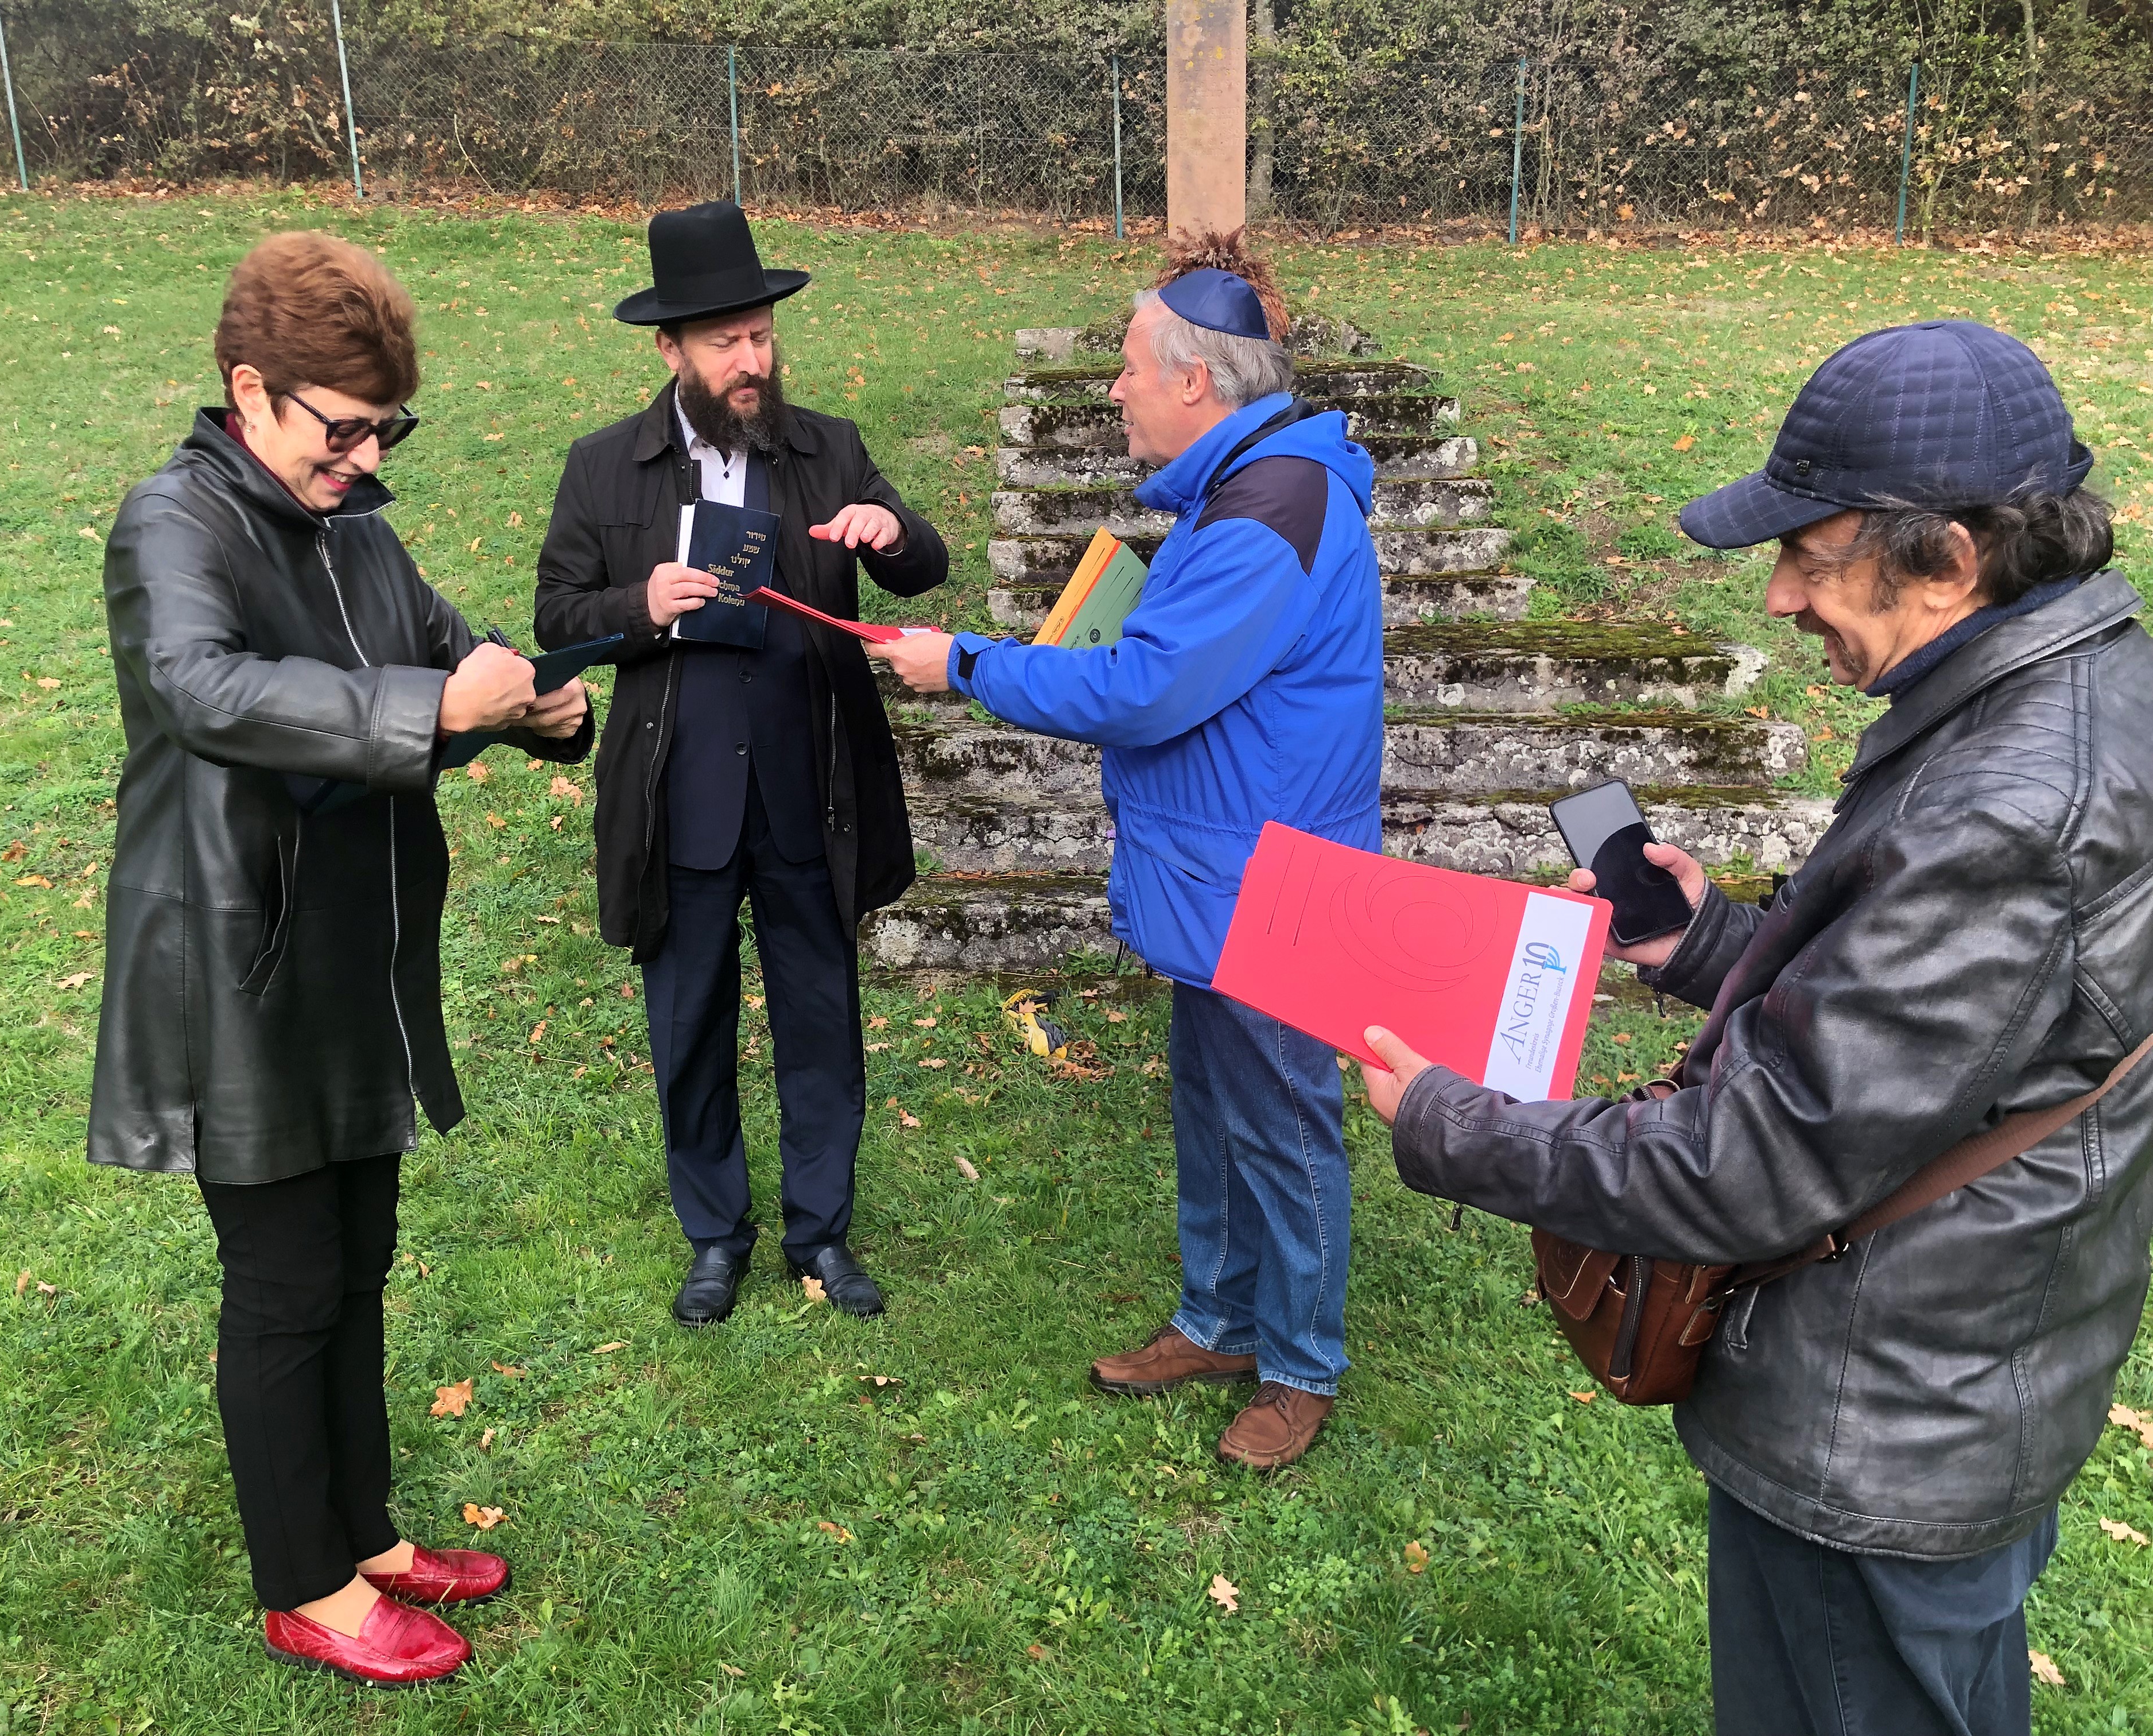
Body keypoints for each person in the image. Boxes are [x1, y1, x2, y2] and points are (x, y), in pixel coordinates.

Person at [1360, 321, 2153, 1735]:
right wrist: (1712, 942)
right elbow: (1974, 1037)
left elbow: (1747, 1164)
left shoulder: (2010, 808)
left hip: (1884, 1432)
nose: (1781, 597)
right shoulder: (2068, 697)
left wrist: (1449, 1119)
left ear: (1951, 562)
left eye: (1811, 552)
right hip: (1962, 1381)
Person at [91, 231, 594, 1687]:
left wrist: (534, 704)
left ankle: (363, 1533)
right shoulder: (171, 524)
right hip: (236, 972)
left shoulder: (360, 528)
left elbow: (448, 650)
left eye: (389, 429)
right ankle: (304, 1584)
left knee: (360, 1260)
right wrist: (439, 707)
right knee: (287, 1281)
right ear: (250, 390)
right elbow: (207, 687)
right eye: (344, 427)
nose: (368, 458)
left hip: (354, 965)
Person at [872, 268, 1382, 1470]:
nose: (1115, 389)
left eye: (1129, 365)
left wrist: (970, 665)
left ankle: (1300, 1362)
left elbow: (1147, 686)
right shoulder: (1252, 492)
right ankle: (1218, 1319)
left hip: (1274, 882)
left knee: (1285, 1122)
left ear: (1194, 379)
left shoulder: (1271, 512)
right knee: (1214, 1110)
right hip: (1224, 873)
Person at [534, 201, 948, 1327]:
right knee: (691, 1025)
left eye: (762, 336)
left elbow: (923, 565)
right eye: (727, 342)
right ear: (669, 349)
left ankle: (821, 1233)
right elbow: (558, 618)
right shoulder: (604, 470)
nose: (752, 360)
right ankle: (715, 1233)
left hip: (810, 790)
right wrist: (640, 605)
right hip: (684, 803)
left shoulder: (831, 451)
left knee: (821, 1020)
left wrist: (889, 532)